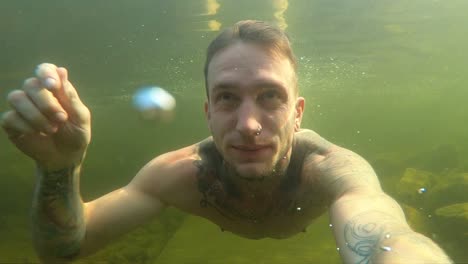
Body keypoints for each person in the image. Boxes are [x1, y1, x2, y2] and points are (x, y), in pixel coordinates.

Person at [0, 20, 452, 263]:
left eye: (270, 96)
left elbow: (386, 239)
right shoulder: (179, 175)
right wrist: (59, 169)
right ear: (208, 112)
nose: (249, 124)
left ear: (298, 113)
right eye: (228, 98)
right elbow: (61, 249)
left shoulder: (330, 170)